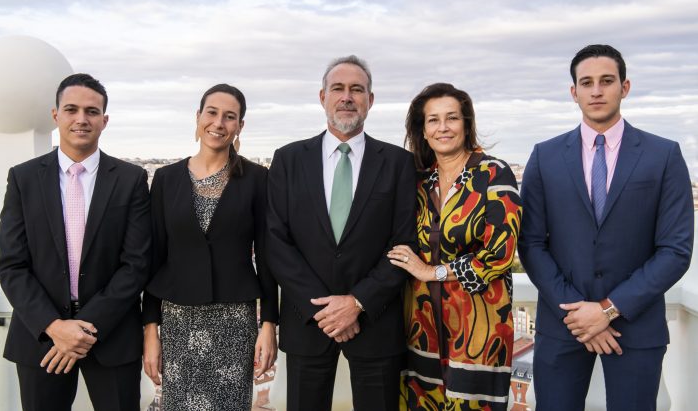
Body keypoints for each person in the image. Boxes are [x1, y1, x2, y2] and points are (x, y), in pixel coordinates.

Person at [518, 44, 694, 411]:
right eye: (587, 82)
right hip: (564, 328)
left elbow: (675, 250)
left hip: (637, 329)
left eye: (606, 81)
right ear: (574, 92)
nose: (596, 90)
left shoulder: (664, 155)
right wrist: (579, 313)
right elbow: (531, 244)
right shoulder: (545, 156)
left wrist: (608, 310)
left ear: (624, 87)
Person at [266, 55, 417, 411]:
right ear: (323, 97)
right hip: (308, 322)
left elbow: (404, 241)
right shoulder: (288, 160)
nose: (347, 97)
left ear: (370, 100)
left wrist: (357, 303)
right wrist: (325, 310)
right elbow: (275, 240)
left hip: (375, 322)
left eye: (357, 89)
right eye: (338, 88)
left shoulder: (398, 163)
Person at [0, 73, 151, 411]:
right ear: (56, 115)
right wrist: (55, 327)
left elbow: (137, 264)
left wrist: (82, 331)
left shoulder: (131, 179)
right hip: (41, 339)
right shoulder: (23, 178)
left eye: (92, 111)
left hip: (111, 337)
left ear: (104, 120)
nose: (81, 119)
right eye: (71, 109)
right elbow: (11, 264)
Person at [141, 84, 278, 410]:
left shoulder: (258, 179)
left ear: (239, 126)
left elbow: (268, 256)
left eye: (230, 117)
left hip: (234, 322)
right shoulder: (165, 179)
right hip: (177, 322)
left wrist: (269, 324)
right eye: (212, 113)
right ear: (198, 117)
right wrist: (150, 332)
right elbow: (154, 258)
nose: (219, 123)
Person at [387, 83, 522, 410]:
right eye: (433, 120)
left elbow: (499, 255)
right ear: (422, 129)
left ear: (466, 123)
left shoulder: (494, 173)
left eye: (452, 118)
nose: (443, 127)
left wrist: (431, 271)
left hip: (479, 328)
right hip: (421, 328)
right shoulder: (419, 181)